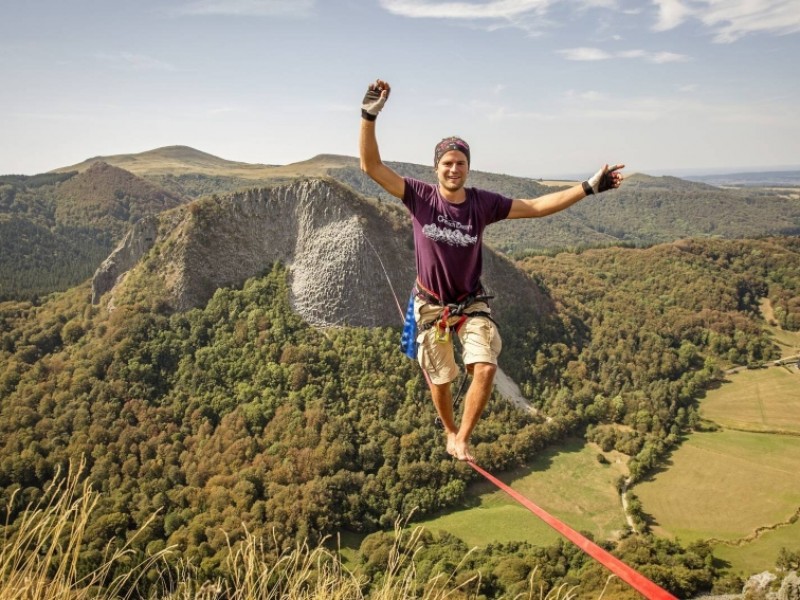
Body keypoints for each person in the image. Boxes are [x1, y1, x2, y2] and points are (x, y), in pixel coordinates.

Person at [359, 79, 624, 461]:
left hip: (470, 304)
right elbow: (371, 166)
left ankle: (462, 437)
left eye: (460, 163)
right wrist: (369, 116)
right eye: (447, 163)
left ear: (468, 167)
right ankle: (449, 429)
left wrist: (587, 187)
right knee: (441, 379)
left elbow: (534, 207)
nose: (454, 169)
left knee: (483, 367)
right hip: (432, 306)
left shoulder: (482, 204)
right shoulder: (419, 196)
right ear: (436, 168)